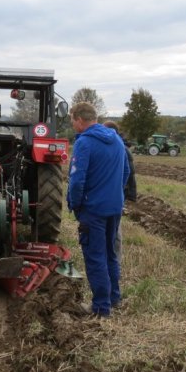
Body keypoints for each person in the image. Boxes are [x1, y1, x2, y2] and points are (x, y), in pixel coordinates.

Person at [67, 102, 129, 318]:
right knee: (111, 253)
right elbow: (126, 172)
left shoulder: (84, 143)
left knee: (95, 257)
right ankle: (114, 297)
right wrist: (114, 195)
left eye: (72, 120)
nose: (72, 124)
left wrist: (76, 205)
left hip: (93, 210)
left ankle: (101, 307)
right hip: (113, 208)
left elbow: (76, 181)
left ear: (79, 119)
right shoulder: (117, 140)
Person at [102, 120, 137, 262]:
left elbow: (128, 173)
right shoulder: (119, 146)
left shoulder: (121, 148)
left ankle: (115, 260)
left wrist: (120, 190)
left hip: (116, 195)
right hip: (116, 194)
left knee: (115, 231)